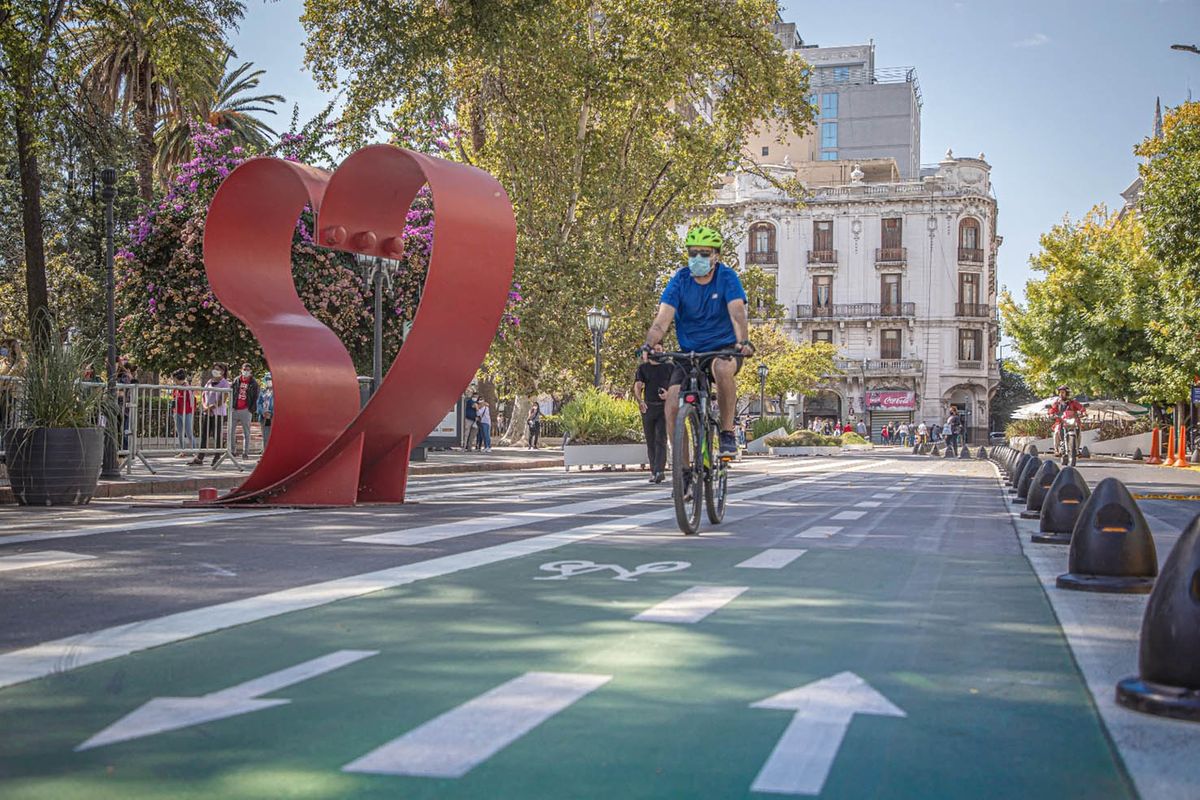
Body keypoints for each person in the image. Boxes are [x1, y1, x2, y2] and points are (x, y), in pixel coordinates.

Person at [639, 225, 754, 463]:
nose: (698, 258)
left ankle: (726, 433)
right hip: (688, 353)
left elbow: (737, 313)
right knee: (671, 402)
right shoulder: (680, 280)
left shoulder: (727, 278)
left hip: (723, 349)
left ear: (716, 256)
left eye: (704, 253)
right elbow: (661, 321)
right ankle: (683, 469)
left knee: (722, 369)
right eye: (693, 253)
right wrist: (649, 345)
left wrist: (743, 340)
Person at [633, 342, 672, 483]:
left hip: (664, 407)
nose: (657, 352)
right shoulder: (643, 368)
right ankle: (653, 471)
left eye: (659, 350)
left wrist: (669, 394)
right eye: (655, 350)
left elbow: (676, 385)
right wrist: (640, 401)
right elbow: (638, 385)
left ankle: (659, 470)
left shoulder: (669, 367)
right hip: (648, 407)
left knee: (660, 439)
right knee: (650, 440)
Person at [191, 363, 229, 466]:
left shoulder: (225, 383)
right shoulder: (209, 381)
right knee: (204, 435)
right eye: (214, 369)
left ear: (222, 371)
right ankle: (200, 457)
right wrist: (204, 406)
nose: (215, 371)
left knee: (217, 435)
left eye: (217, 369)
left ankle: (217, 457)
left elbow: (223, 399)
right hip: (207, 412)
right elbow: (204, 395)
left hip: (218, 413)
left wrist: (212, 407)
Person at [229, 363, 259, 458]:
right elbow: (231, 392)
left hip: (246, 410)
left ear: (250, 372)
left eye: (248, 370)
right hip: (235, 409)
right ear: (241, 370)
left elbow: (255, 397)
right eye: (244, 369)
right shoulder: (236, 380)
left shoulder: (253, 383)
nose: (246, 371)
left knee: (246, 432)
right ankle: (233, 451)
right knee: (231, 432)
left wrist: (251, 409)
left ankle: (245, 453)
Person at [1048, 384, 1086, 456]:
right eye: (1060, 392)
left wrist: (1083, 412)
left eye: (1063, 392)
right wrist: (1051, 414)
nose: (1061, 394)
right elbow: (1052, 410)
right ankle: (1056, 449)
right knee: (1056, 432)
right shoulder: (1057, 403)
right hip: (1060, 421)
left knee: (1079, 431)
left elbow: (1080, 407)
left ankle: (1077, 449)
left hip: (1072, 421)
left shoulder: (1073, 402)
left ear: (1067, 393)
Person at [171, 368, 196, 456]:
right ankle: (183, 451)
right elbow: (173, 398)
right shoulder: (175, 388)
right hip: (177, 412)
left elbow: (192, 401)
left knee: (189, 433)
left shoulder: (188, 388)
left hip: (187, 412)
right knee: (180, 433)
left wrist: (191, 412)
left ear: (177, 378)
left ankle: (194, 451)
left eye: (174, 379)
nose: (173, 381)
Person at [257, 371, 275, 449]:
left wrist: (271, 413)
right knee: (265, 437)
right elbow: (259, 403)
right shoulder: (263, 392)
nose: (269, 381)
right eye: (267, 379)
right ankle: (264, 453)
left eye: (270, 379)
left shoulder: (278, 391)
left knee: (274, 438)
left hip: (273, 418)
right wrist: (263, 412)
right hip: (263, 418)